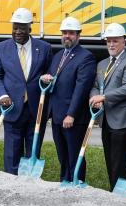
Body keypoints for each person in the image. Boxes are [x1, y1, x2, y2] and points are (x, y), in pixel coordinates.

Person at [0, 7, 52, 174]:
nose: (18, 32)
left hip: (36, 108)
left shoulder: (44, 48)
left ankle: (30, 181)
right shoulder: (1, 48)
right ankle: (11, 180)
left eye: (22, 28)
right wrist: (2, 95)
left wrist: (48, 78)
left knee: (33, 148)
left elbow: (49, 73)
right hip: (12, 106)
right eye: (15, 27)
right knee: (12, 150)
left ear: (30, 28)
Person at [41, 17, 96, 183]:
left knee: (74, 155)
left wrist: (71, 114)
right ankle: (64, 182)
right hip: (57, 114)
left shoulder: (86, 57)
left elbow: (81, 88)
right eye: (64, 33)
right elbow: (55, 80)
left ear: (78, 36)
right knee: (62, 155)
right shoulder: (58, 55)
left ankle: (77, 184)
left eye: (71, 33)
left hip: (73, 118)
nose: (67, 36)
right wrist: (46, 79)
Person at [90, 23, 126, 190]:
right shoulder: (102, 64)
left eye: (115, 41)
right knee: (110, 159)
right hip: (106, 119)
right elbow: (95, 86)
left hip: (124, 121)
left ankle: (121, 193)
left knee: (120, 161)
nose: (111, 44)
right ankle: (114, 191)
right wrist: (94, 98)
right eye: (109, 41)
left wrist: (103, 97)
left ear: (124, 42)